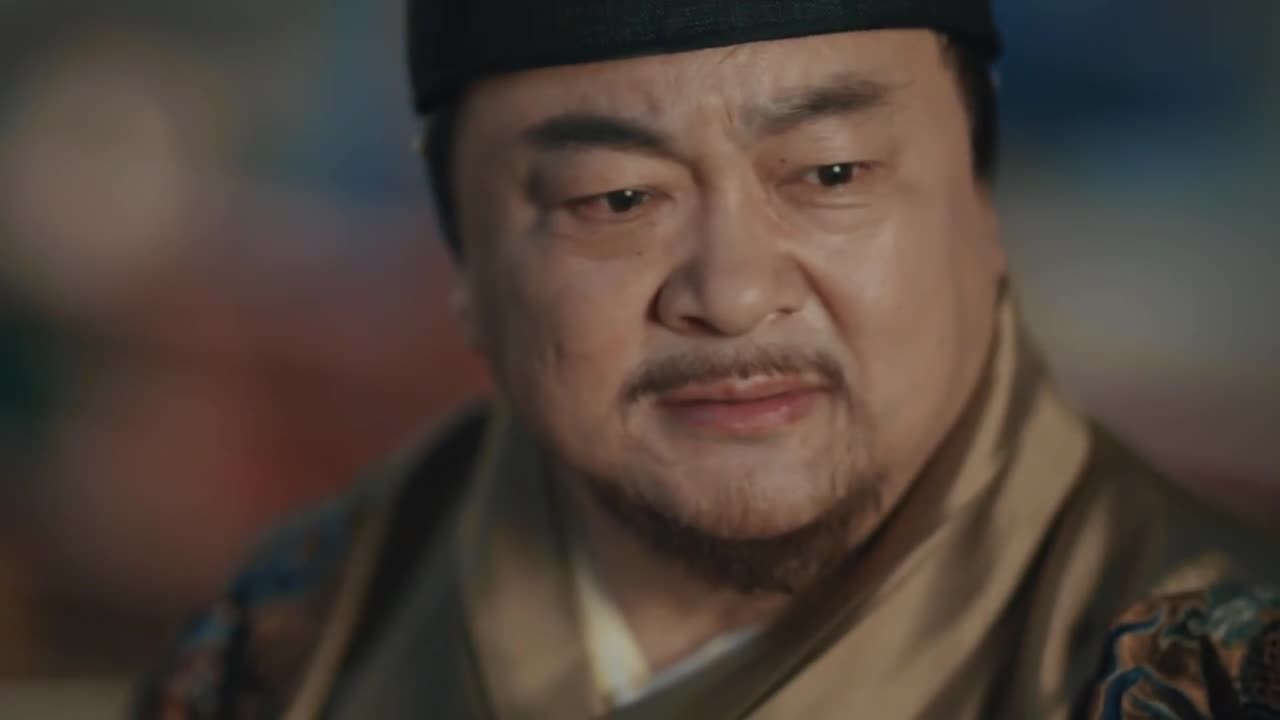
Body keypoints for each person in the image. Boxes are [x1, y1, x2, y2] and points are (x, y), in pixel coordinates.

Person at [137, 1, 1280, 718]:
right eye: (615, 198)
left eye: (830, 174)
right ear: (466, 261)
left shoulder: (1205, 665)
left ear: (979, 215)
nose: (731, 296)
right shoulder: (297, 636)